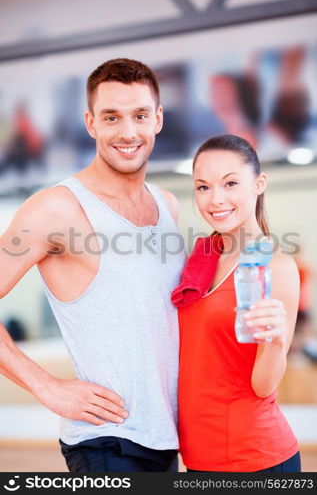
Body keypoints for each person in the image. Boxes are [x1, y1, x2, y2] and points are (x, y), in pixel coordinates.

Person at [0, 58, 186, 472]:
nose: (127, 132)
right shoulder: (55, 209)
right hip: (106, 441)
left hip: (167, 437)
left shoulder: (167, 204)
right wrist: (47, 387)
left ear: (157, 119)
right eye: (111, 117)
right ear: (90, 123)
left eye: (139, 115)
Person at [175, 134, 301, 472]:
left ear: (259, 184)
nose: (216, 199)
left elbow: (263, 385)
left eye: (230, 183)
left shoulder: (275, 266)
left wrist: (276, 342)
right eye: (203, 187)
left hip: (254, 456)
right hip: (198, 456)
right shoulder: (199, 257)